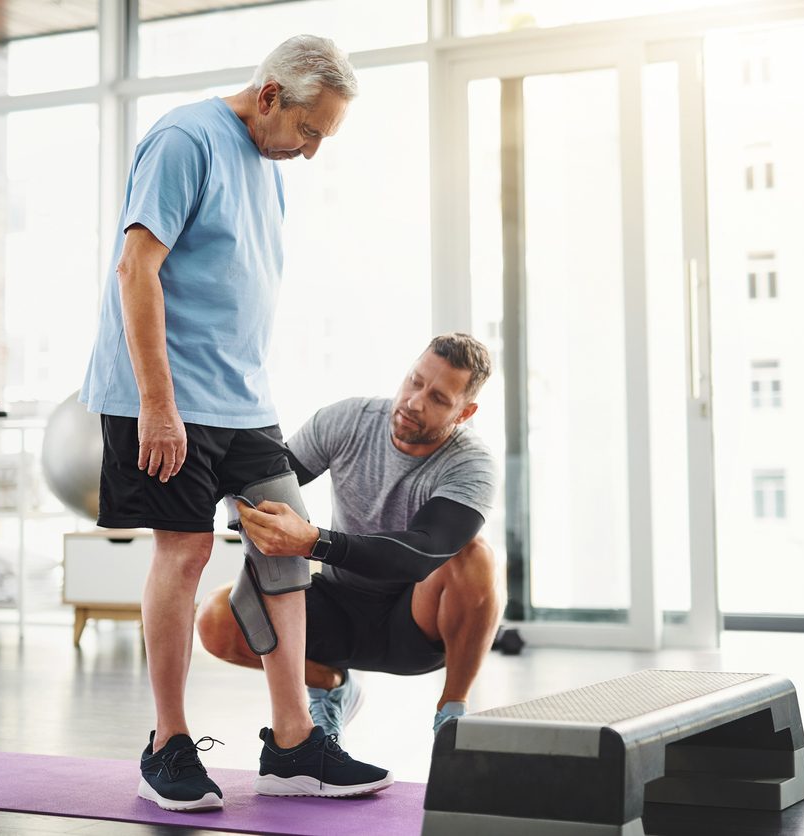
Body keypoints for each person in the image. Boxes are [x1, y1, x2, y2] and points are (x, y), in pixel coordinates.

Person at [79, 35, 391, 812]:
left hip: (244, 400)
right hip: (165, 396)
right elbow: (136, 268)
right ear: (271, 96)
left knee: (287, 547)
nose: (312, 152)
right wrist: (158, 404)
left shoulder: (269, 163)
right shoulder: (186, 139)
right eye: (310, 131)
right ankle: (168, 744)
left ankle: (292, 745)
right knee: (182, 556)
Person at [195, 333, 502, 739]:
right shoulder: (348, 420)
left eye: (439, 399)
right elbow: (259, 486)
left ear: (465, 413)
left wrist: (312, 541)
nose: (414, 401)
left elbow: (423, 552)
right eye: (415, 380)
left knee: (475, 556)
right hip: (336, 604)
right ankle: (330, 685)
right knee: (217, 618)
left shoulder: (471, 465)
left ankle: (452, 712)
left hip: (413, 621)